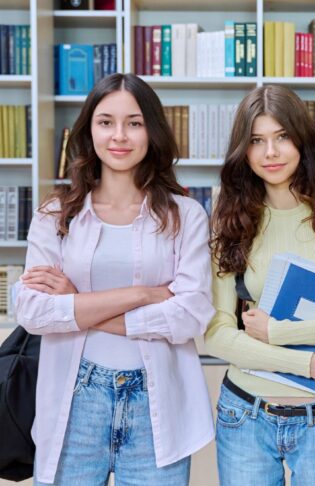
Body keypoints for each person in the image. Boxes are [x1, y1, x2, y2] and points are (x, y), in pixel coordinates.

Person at [15, 73, 215, 485]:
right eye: (106, 122)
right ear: (89, 130)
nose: (119, 136)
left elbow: (191, 316)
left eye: (134, 123)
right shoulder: (56, 216)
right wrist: (142, 294)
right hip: (75, 401)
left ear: (152, 131)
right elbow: (33, 312)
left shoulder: (185, 216)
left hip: (156, 402)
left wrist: (77, 303)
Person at [205, 85, 315, 486]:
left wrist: (278, 332)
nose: (270, 153)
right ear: (244, 150)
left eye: (282, 137)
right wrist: (305, 363)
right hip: (246, 416)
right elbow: (216, 335)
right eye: (257, 141)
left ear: (302, 140)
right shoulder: (228, 219)